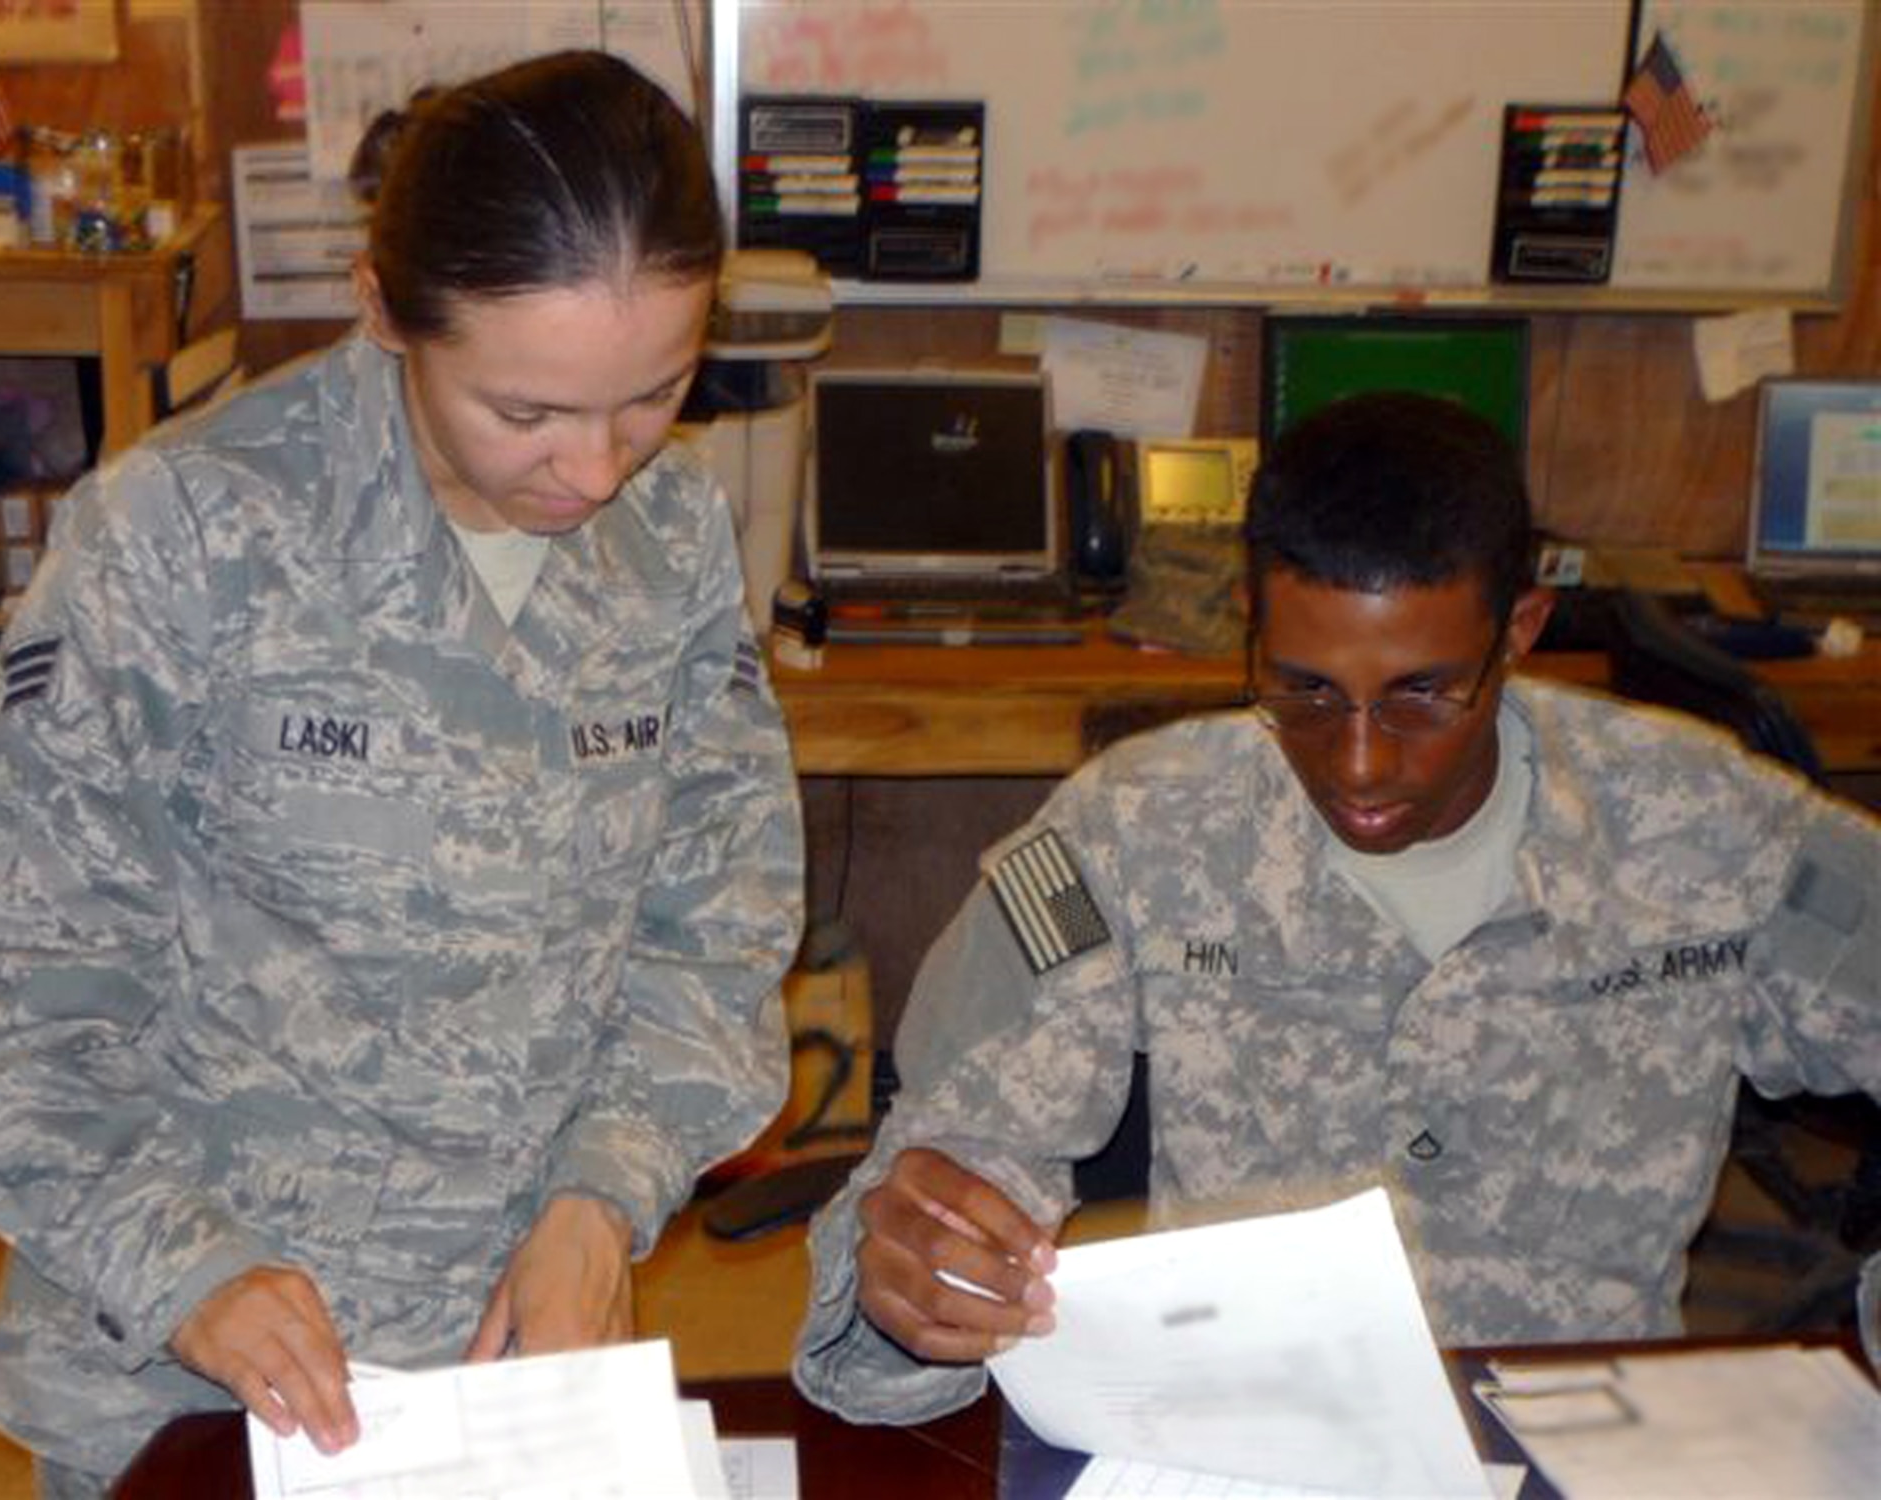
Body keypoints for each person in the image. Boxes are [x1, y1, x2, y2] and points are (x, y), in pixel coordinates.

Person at [0, 51, 803, 1496]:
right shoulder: (189, 535)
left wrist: (605, 1189)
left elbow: (716, 931)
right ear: (386, 312)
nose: (594, 472)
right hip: (201, 1381)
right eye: (527, 414)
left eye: (654, 395)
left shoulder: (676, 549)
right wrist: (189, 1267)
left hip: (521, 1378)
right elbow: (4, 998)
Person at [792, 391, 1881, 1424]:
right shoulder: (1134, 831)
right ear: (1249, 633)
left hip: (1578, 1443)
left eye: (1420, 694)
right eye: (1301, 690)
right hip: (1248, 1440)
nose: (1357, 763)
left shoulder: (1705, 829)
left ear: (1520, 629)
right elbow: (951, 1154)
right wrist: (916, 1270)